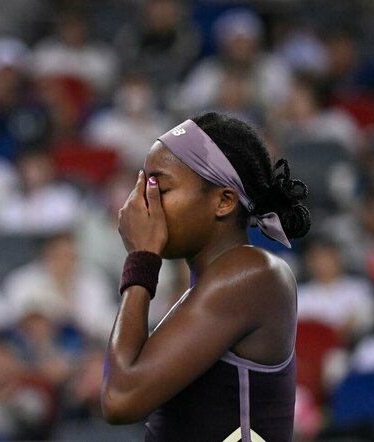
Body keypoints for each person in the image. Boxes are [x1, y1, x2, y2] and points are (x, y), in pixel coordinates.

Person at [101, 112, 311, 440]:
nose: (142, 204)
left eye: (158, 187)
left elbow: (119, 398)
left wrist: (141, 258)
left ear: (224, 201)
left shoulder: (253, 274)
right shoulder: (218, 285)